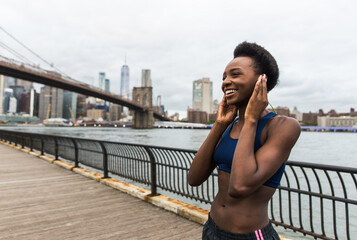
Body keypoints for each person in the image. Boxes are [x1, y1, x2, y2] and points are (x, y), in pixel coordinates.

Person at [188, 41, 301, 240]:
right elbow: (194, 179)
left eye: (235, 74)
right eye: (224, 77)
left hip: (249, 235)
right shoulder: (230, 125)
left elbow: (239, 187)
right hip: (212, 229)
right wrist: (220, 125)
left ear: (261, 81)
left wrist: (250, 119)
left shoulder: (283, 127)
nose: (225, 82)